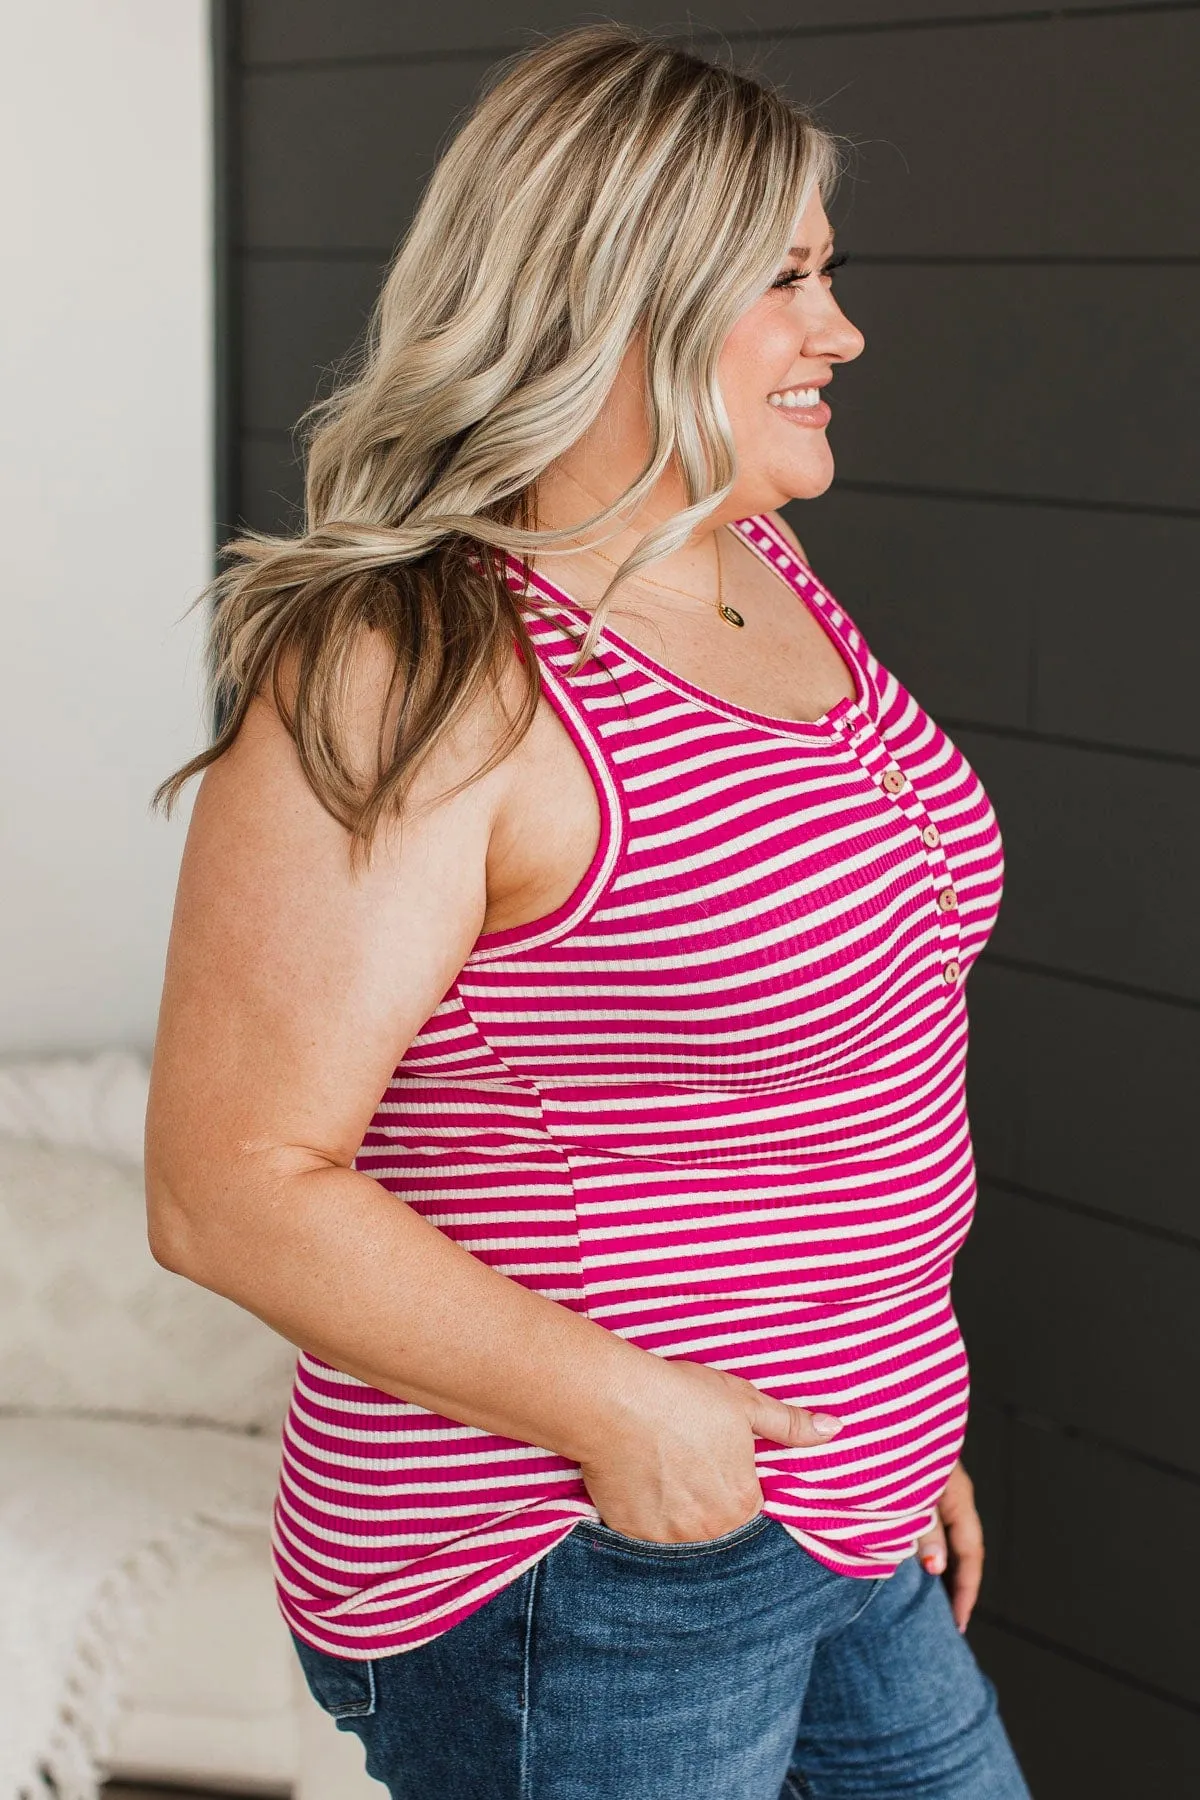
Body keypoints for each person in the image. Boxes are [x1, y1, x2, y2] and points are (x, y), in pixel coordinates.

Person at [146, 23, 1029, 1800]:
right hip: (587, 1546)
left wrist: (891, 1394)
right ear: (617, 296)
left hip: (841, 1489)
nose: (838, 330)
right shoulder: (417, 664)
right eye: (784, 280)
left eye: (826, 274)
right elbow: (225, 1184)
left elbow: (840, 1059)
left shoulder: (740, 554)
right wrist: (635, 1419)